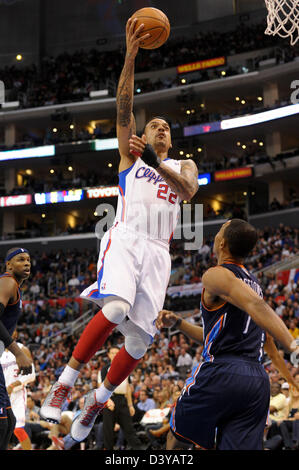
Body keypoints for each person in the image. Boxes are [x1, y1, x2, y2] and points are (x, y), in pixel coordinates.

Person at [40, 16, 198, 444]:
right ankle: (65, 382)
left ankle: (99, 397)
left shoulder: (179, 165)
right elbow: (123, 107)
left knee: (141, 344)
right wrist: (130, 56)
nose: (161, 129)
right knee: (112, 310)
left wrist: (155, 157)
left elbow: (188, 190)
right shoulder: (130, 162)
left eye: (166, 128)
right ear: (141, 136)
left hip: (159, 253)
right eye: (154, 127)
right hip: (127, 238)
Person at [156, 219, 299, 450]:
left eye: (220, 230)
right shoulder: (254, 283)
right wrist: (179, 322)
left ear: (221, 242)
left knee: (177, 437)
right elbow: (231, 336)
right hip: (255, 379)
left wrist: (293, 345)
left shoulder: (215, 275)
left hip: (222, 372)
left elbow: (256, 306)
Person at [0, 247, 33, 450]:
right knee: (3, 423)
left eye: (29, 259)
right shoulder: (7, 282)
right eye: (21, 259)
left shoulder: (13, 286)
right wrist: (18, 352)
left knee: (9, 422)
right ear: (9, 265)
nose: (27, 263)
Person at [98, 346, 145, 450]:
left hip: (122, 400)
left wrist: (130, 405)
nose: (114, 354)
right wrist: (108, 400)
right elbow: (101, 387)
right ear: (108, 355)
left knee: (129, 429)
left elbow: (127, 388)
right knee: (108, 431)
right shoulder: (104, 369)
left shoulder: (125, 367)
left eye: (116, 353)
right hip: (109, 400)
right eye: (112, 353)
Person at [0, 330, 36, 450]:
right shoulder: (0, 353)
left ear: (15, 334)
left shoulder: (22, 349)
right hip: (2, 395)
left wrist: (12, 386)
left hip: (17, 394)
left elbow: (31, 375)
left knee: (18, 429)